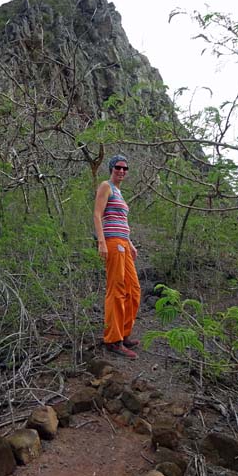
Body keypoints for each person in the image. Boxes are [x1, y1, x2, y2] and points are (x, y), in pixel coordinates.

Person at [93, 154, 141, 359]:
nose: (121, 171)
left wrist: (130, 243)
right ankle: (113, 339)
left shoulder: (119, 193)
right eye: (118, 168)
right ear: (111, 169)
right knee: (117, 289)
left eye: (125, 168)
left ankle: (124, 332)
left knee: (134, 289)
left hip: (124, 244)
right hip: (112, 243)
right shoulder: (106, 186)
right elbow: (97, 214)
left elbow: (120, 221)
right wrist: (101, 242)